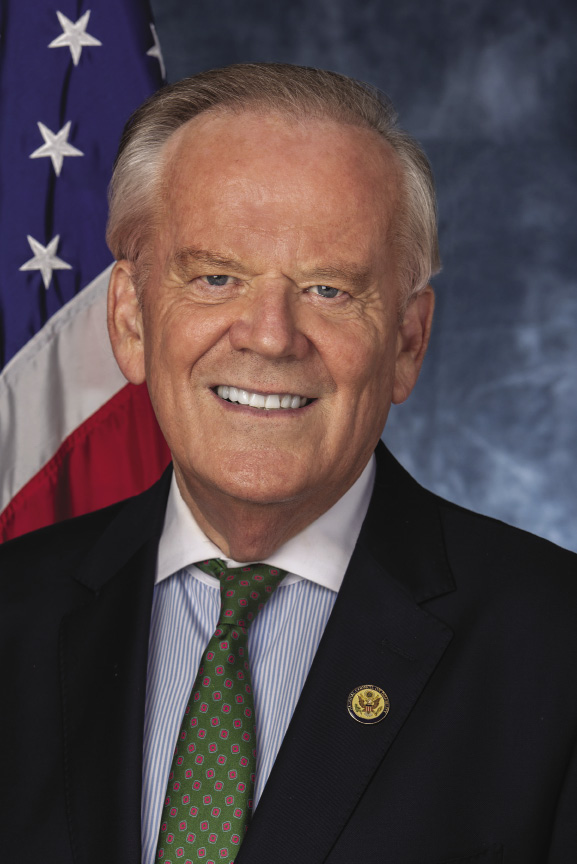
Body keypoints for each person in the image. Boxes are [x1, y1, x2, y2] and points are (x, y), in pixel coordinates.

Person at [1, 63, 576, 864]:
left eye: (328, 289)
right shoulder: (14, 614)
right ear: (130, 320)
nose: (270, 335)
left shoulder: (553, 646)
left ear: (407, 340)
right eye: (215, 277)